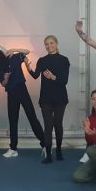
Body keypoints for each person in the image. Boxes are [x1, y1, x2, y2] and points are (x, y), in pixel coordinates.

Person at [0, 48, 45, 158]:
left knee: (32, 118)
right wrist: (6, 78)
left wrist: (13, 49)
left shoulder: (12, 58)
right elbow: (3, 84)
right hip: (11, 93)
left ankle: (45, 145)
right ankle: (13, 149)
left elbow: (27, 52)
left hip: (22, 90)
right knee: (13, 121)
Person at [26, 35, 70, 163]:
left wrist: (53, 77)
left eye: (51, 43)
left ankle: (59, 150)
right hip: (45, 98)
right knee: (48, 125)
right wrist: (28, 67)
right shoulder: (42, 60)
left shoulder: (64, 60)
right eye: (46, 44)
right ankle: (49, 154)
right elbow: (35, 75)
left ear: (56, 43)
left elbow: (64, 80)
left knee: (58, 124)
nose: (49, 46)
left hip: (60, 97)